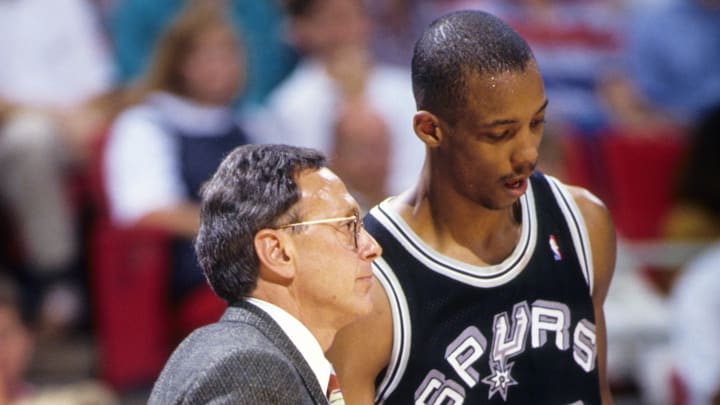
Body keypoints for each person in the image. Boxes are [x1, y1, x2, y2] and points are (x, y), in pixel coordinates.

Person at [327, 10, 617, 404]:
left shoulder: (584, 224)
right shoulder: (369, 281)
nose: (527, 154)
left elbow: (597, 393)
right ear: (430, 129)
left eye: (537, 123)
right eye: (500, 134)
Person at [148, 144, 383, 404]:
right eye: (348, 226)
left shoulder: (255, 356)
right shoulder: (249, 369)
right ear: (277, 252)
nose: (373, 247)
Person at [104, 2, 250, 301]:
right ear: (179, 62)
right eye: (207, 55)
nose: (220, 66)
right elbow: (145, 210)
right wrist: (242, 232)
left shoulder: (250, 125)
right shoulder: (146, 123)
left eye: (227, 54)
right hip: (194, 273)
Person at [248, 0, 424, 211]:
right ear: (304, 29)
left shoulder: (406, 90)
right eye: (330, 20)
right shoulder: (288, 106)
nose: (342, 31)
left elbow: (417, 183)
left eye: (351, 17)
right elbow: (298, 196)